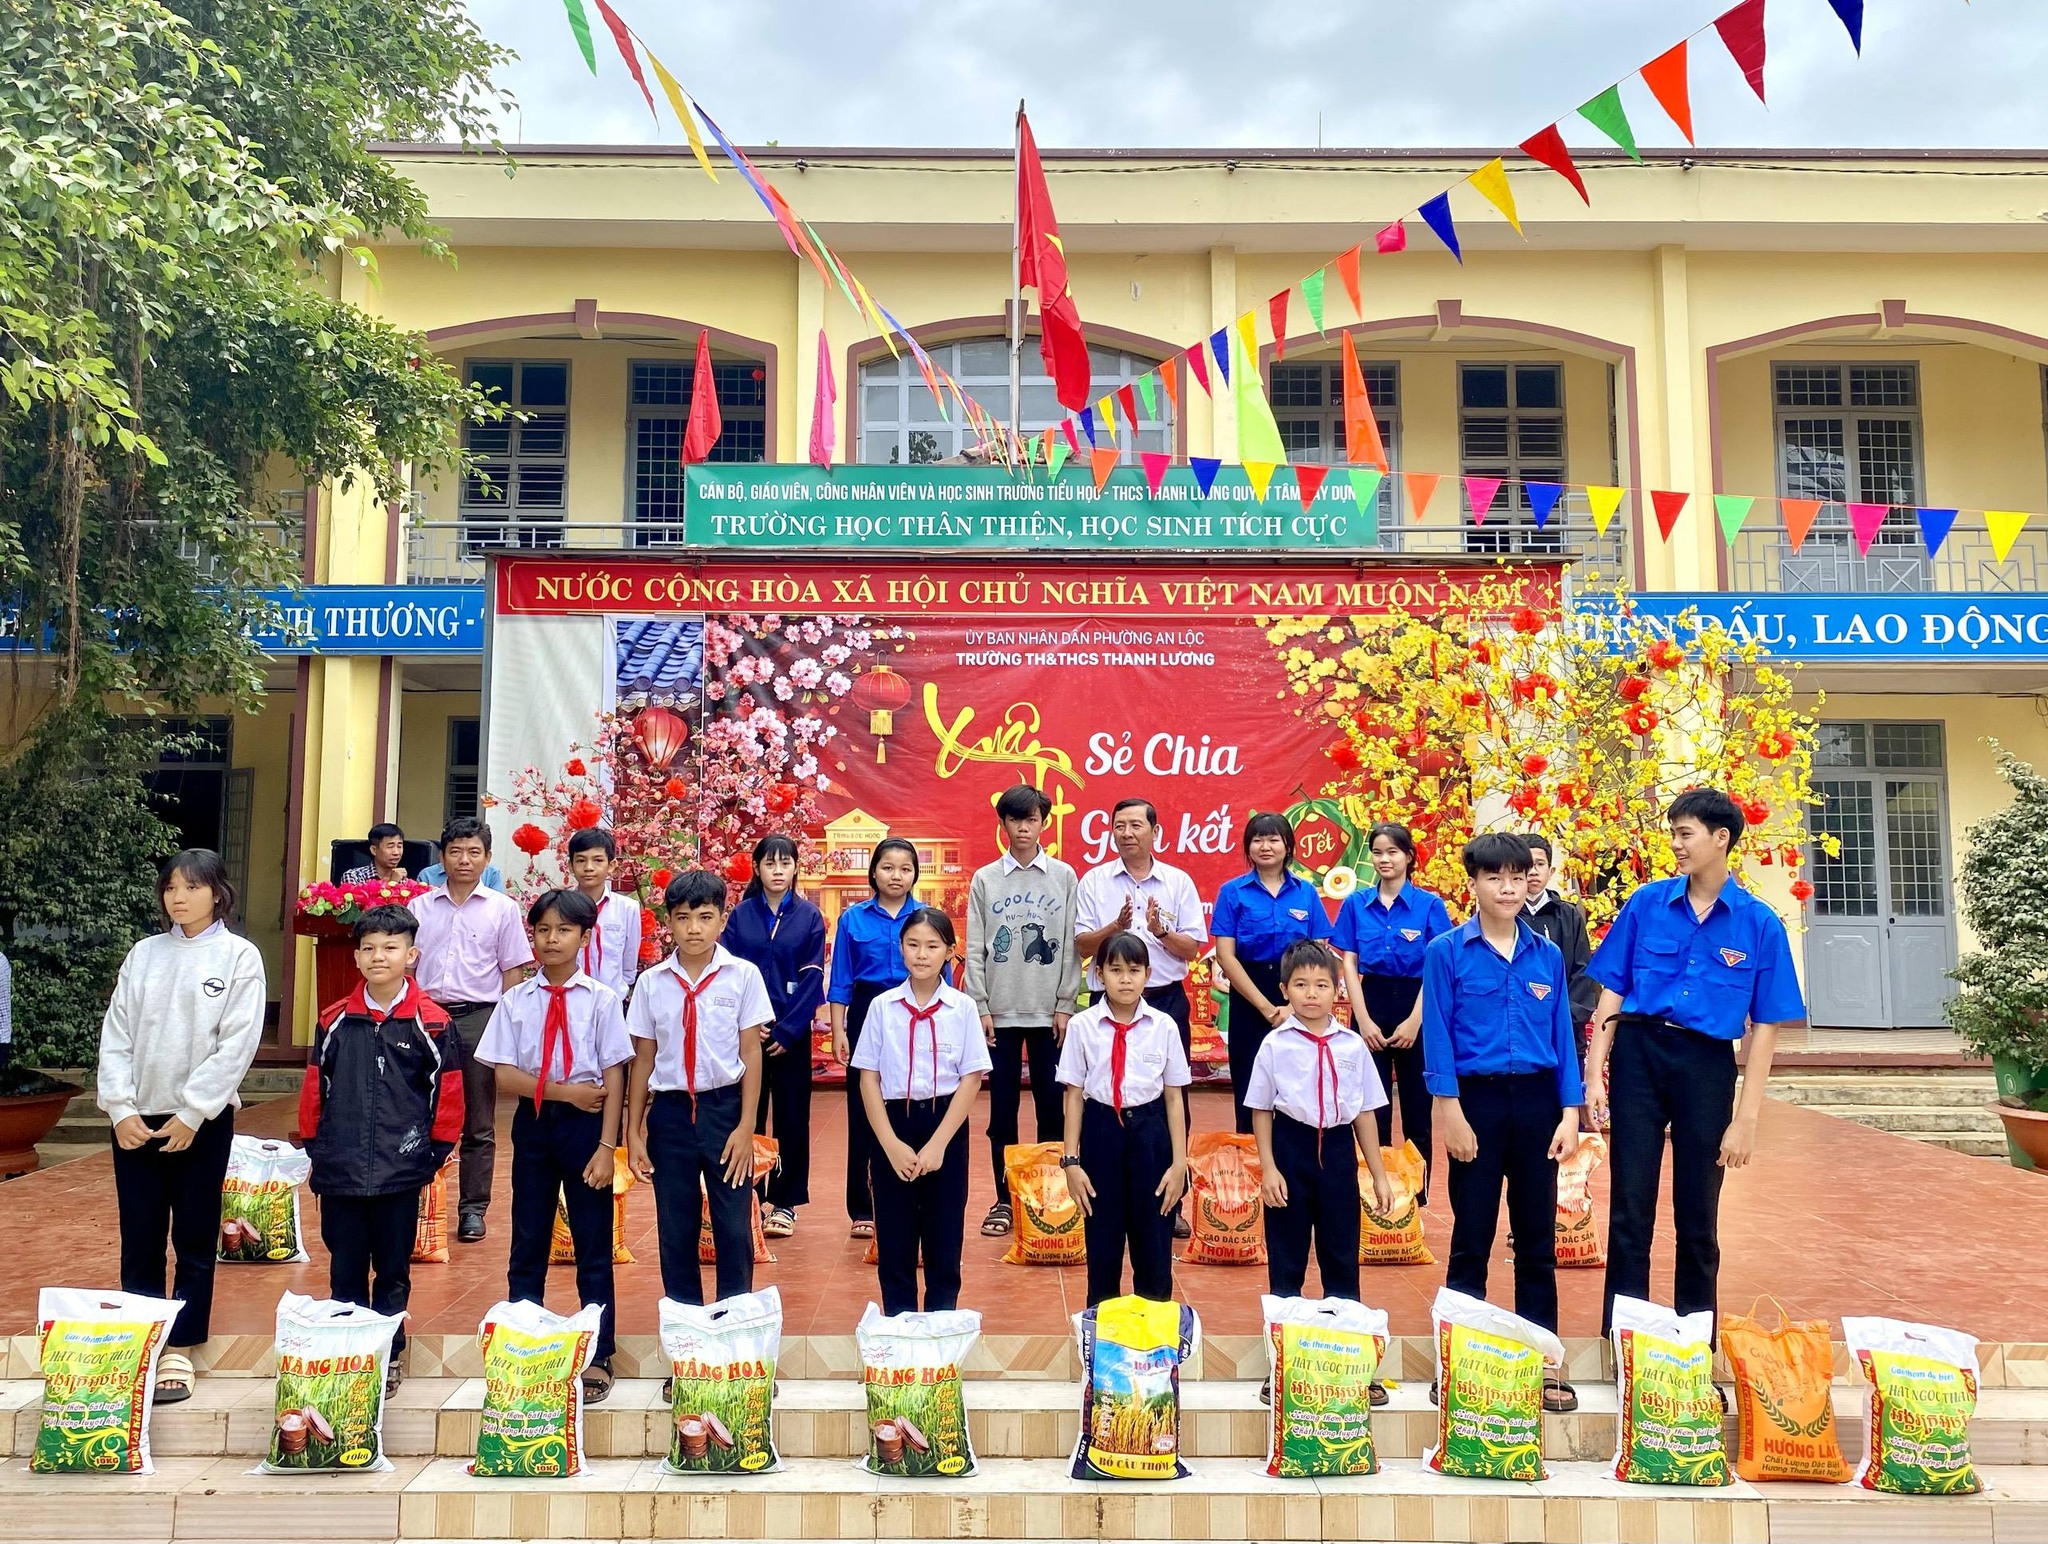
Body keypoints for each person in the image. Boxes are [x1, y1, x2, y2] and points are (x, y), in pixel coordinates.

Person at [1585, 789, 1806, 1342]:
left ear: (1720, 838)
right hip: (1638, 1055)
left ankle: (1693, 1346)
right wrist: (1594, 1072)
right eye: (1674, 834)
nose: (1676, 845)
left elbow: (1767, 1026)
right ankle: (1622, 1340)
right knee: (1630, 1208)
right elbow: (1612, 989)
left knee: (1698, 1215)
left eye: (1685, 834)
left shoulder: (1758, 923)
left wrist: (1746, 1119)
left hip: (1706, 1066)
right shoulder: (1646, 904)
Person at [95, 849, 266, 1405]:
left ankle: (181, 1347)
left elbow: (237, 1043)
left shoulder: (239, 957)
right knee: (140, 1235)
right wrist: (120, 1109)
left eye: (192, 887)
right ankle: (143, 1340)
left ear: (217, 893)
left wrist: (193, 1112)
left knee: (193, 1236)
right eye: (171, 887)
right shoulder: (144, 954)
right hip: (136, 1120)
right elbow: (117, 1034)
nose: (179, 898)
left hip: (201, 1121)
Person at [1423, 833, 1584, 1414]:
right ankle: (1459, 1364)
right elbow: (1438, 1033)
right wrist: (1450, 1112)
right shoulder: (1446, 951)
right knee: (1472, 1236)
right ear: (1473, 884)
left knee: (1538, 1239)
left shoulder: (1546, 955)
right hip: (1476, 1102)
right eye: (1495, 877)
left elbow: (1563, 1035)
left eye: (1518, 876)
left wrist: (1570, 1112)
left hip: (1539, 1104)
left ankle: (1543, 1364)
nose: (1508, 888)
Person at [299, 904, 464, 1395]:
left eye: (390, 947)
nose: (378, 956)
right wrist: (317, 1147)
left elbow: (449, 1092)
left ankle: (389, 1354)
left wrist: (435, 1150)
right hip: (341, 1169)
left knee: (393, 1270)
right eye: (368, 948)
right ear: (355, 957)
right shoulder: (333, 1021)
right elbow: (314, 1089)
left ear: (411, 955)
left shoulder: (433, 1023)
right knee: (345, 1268)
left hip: (401, 1169)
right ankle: (350, 1357)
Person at [476, 889, 632, 1403]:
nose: (551, 939)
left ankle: (599, 1352)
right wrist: (567, 1092)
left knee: (593, 1240)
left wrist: (607, 1146)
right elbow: (503, 1075)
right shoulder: (516, 1000)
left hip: (588, 1129)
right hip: (537, 1121)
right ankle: (524, 1343)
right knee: (528, 1235)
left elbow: (615, 1075)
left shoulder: (602, 1000)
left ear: (585, 938)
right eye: (542, 930)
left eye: (564, 930)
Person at [1247, 940, 1396, 1405]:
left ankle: (1351, 1366)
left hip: (1336, 1153)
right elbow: (1261, 1110)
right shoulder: (1274, 1044)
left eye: (1321, 985)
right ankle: (1281, 1366)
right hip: (1290, 1150)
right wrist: (1269, 1168)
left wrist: (1378, 1173)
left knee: (1341, 1258)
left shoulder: (1352, 1046)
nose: (1311, 994)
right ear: (1284, 990)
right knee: (1286, 1260)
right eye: (1300, 985)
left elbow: (1365, 1112)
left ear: (1338, 990)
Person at [627, 870, 771, 1310]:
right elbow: (644, 1059)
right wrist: (634, 1131)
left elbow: (751, 1053)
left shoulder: (742, 976)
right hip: (670, 1115)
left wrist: (747, 1127)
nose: (694, 928)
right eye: (683, 918)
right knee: (676, 1226)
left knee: (732, 1224)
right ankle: (685, 1328)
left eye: (705, 917)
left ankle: (733, 1323)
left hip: (725, 1110)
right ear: (667, 921)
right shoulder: (652, 983)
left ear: (722, 920)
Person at [1074, 799, 1207, 1236]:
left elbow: (1193, 948)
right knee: (1102, 1095)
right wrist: (1116, 927)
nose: (1127, 833)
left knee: (1171, 1097)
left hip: (1163, 1001)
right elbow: (1082, 946)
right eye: (1119, 826)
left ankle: (1171, 1199)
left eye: (1136, 825)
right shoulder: (1094, 881)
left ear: (1155, 831)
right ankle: (1102, 1194)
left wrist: (1159, 931)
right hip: (1106, 1004)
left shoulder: (1177, 882)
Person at [854, 907, 990, 1316]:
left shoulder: (962, 1008)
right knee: (895, 1238)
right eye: (913, 945)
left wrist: (938, 1145)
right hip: (893, 1124)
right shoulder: (882, 1007)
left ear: (950, 950)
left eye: (932, 946)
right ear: (901, 948)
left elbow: (971, 1079)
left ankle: (940, 1328)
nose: (922, 954)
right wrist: (890, 1144)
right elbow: (868, 1079)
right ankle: (899, 1330)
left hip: (944, 1123)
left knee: (943, 1237)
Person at [963, 784, 1081, 1239]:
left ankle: (1052, 1195)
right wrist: (980, 1005)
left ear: (1043, 823)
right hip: (1000, 1014)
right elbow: (976, 947)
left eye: (1032, 820)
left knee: (1052, 1108)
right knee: (1002, 1113)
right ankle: (1004, 1199)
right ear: (1004, 824)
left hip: (1049, 1014)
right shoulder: (986, 879)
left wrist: (1066, 1004)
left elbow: (1070, 946)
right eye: (1015, 820)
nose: (1024, 828)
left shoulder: (1064, 877)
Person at [409, 817, 533, 1242]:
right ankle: (417, 1204)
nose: (465, 860)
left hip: (480, 1017)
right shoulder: (420, 908)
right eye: (456, 851)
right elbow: (408, 967)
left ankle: (473, 1209)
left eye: (474, 852)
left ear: (488, 858)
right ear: (442, 858)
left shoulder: (502, 909)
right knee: (418, 1112)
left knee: (478, 1120)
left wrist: (505, 1025)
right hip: (427, 1017)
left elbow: (512, 970)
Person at [1057, 931, 1189, 1306]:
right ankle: (1102, 1327)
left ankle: (1155, 1328)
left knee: (1154, 1239)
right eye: (1115, 970)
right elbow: (1073, 1096)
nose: (1125, 979)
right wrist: (1071, 1161)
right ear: (1099, 975)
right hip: (1101, 1132)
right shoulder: (1082, 1027)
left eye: (1134, 970)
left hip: (1151, 1132)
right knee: (1103, 1238)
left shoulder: (1163, 1026)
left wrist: (1179, 1163)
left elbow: (1174, 1098)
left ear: (1148, 974)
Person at [1333, 822, 1453, 1204]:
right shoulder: (1356, 904)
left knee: (1418, 1108)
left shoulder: (1429, 906)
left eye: (1393, 852)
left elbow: (1437, 967)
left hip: (1417, 1004)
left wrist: (1416, 1021)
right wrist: (1363, 1019)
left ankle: (1415, 1199)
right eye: (1378, 852)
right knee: (1372, 1105)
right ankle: (1375, 1193)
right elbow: (1349, 963)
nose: (1384, 859)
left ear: (1409, 857)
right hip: (1371, 1000)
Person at [721, 834, 826, 1239]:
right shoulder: (741, 915)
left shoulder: (809, 916)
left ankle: (785, 1202)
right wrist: (748, 1023)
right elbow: (728, 973)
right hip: (746, 1036)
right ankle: (748, 1195)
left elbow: (813, 977)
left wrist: (789, 1028)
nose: (778, 870)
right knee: (746, 1114)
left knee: (792, 1117)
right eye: (770, 863)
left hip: (789, 1037)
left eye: (785, 863)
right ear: (757, 868)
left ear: (796, 867)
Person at [1211, 812, 1332, 1134]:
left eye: (1273, 839)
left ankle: (1296, 1156)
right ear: (1248, 847)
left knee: (1298, 1083)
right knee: (1250, 1083)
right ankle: (1250, 1155)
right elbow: (1225, 955)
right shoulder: (1233, 892)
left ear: (1288, 845)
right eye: (1257, 840)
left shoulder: (1306, 892)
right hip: (1249, 994)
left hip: (1299, 994)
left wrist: (1293, 1004)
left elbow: (1318, 952)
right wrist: (1266, 1007)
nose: (1265, 847)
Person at [827, 837, 921, 1240]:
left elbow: (943, 979)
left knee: (912, 1102)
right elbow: (841, 981)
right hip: (866, 1012)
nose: (896, 875)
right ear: (874, 872)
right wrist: (838, 1031)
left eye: (905, 868)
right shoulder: (853, 919)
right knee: (863, 1111)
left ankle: (910, 1196)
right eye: (887, 867)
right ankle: (862, 1207)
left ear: (914, 874)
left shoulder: (926, 918)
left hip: (916, 1010)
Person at [1522, 835, 1597, 1051]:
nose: (1533, 871)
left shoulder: (1568, 915)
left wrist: (1566, 1018)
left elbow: (1583, 971)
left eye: (1540, 864)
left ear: (1551, 871)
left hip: (1566, 1032)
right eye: (1527, 865)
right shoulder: (1507, 916)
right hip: (1521, 1032)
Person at [567, 828, 642, 1000]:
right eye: (581, 860)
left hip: (611, 1001)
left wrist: (619, 991)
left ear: (612, 865)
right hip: (570, 1000)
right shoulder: (561, 907)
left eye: (598, 860)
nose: (589, 868)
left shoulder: (627, 909)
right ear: (570, 865)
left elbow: (629, 964)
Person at [341, 822, 409, 886]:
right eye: (390, 847)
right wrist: (393, 883)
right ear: (374, 850)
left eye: (399, 846)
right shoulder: (354, 876)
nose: (396, 852)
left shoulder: (404, 880)